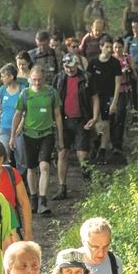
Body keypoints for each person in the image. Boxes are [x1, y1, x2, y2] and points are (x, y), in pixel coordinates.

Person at [11, 66, 63, 216]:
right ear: (30, 80)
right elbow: (18, 114)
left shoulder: (51, 93)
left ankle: (42, 200)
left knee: (45, 167)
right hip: (29, 135)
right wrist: (13, 135)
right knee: (31, 168)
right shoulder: (25, 94)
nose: (37, 82)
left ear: (43, 79)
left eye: (39, 79)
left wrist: (60, 137)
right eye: (34, 80)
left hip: (47, 133)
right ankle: (33, 198)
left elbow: (58, 115)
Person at [52, 53, 98, 197]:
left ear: (77, 64)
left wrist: (95, 117)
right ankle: (62, 188)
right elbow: (52, 100)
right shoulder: (59, 78)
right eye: (66, 66)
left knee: (82, 155)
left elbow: (95, 98)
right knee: (63, 152)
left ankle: (89, 183)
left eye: (72, 66)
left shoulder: (86, 77)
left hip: (82, 119)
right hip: (63, 121)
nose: (69, 69)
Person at [0, 138, 32, 242]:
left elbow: (25, 203)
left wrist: (28, 233)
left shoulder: (11, 173)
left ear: (3, 158)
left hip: (10, 224)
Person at [88, 35, 123, 165]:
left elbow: (118, 83)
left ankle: (102, 149)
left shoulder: (115, 63)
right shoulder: (93, 62)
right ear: (101, 47)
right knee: (95, 122)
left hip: (108, 96)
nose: (109, 49)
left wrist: (114, 102)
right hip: (94, 96)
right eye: (106, 47)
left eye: (110, 47)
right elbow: (88, 80)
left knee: (106, 123)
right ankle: (95, 143)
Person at [0, 63, 24, 168]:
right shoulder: (2, 89)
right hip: (4, 128)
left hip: (18, 130)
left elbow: (25, 111)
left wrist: (19, 128)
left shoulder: (22, 90)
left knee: (20, 158)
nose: (1, 78)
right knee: (4, 156)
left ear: (11, 76)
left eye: (3, 76)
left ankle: (22, 181)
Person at [110, 38, 133, 157]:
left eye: (120, 47)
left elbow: (134, 72)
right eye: (115, 47)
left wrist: (129, 69)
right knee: (111, 117)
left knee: (120, 116)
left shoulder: (127, 58)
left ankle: (117, 144)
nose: (118, 49)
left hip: (124, 90)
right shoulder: (110, 59)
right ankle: (110, 141)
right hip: (112, 90)